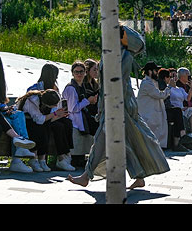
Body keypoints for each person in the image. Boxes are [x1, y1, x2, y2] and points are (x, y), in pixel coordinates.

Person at [68, 25, 170, 190]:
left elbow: (116, 83)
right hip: (113, 106)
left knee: (104, 139)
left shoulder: (123, 55)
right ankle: (138, 175)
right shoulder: (111, 53)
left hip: (118, 106)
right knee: (125, 141)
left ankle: (86, 176)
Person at [16, 88, 75, 172]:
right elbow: (39, 120)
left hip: (42, 119)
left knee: (67, 123)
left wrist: (59, 115)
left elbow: (50, 115)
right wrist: (55, 114)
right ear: (46, 103)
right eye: (54, 105)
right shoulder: (32, 101)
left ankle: (65, 155)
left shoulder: (49, 99)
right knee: (43, 127)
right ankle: (36, 159)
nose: (55, 106)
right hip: (28, 120)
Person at [63, 60, 98, 169]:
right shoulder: (71, 88)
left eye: (81, 72)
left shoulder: (81, 86)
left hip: (81, 118)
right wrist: (88, 101)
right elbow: (73, 108)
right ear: (72, 73)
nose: (79, 74)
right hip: (72, 119)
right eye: (76, 72)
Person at [137, 61, 171, 149]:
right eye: (155, 70)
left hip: (153, 113)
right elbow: (159, 95)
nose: (157, 73)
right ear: (150, 71)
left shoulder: (151, 82)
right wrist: (169, 88)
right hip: (148, 114)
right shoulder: (146, 83)